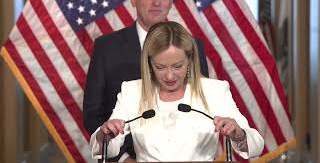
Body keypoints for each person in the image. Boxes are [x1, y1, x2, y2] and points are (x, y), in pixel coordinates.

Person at [90, 21, 264, 162]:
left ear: (189, 60)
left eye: (177, 66)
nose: (169, 75)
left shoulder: (214, 91)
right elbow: (107, 149)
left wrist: (238, 133)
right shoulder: (132, 91)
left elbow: (256, 146)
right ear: (149, 63)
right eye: (160, 67)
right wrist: (105, 134)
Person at [83, 0, 208, 161]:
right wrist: (123, 159)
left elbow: (202, 108)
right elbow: (93, 114)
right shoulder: (106, 47)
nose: (157, 2)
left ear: (171, 1)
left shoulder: (193, 47)